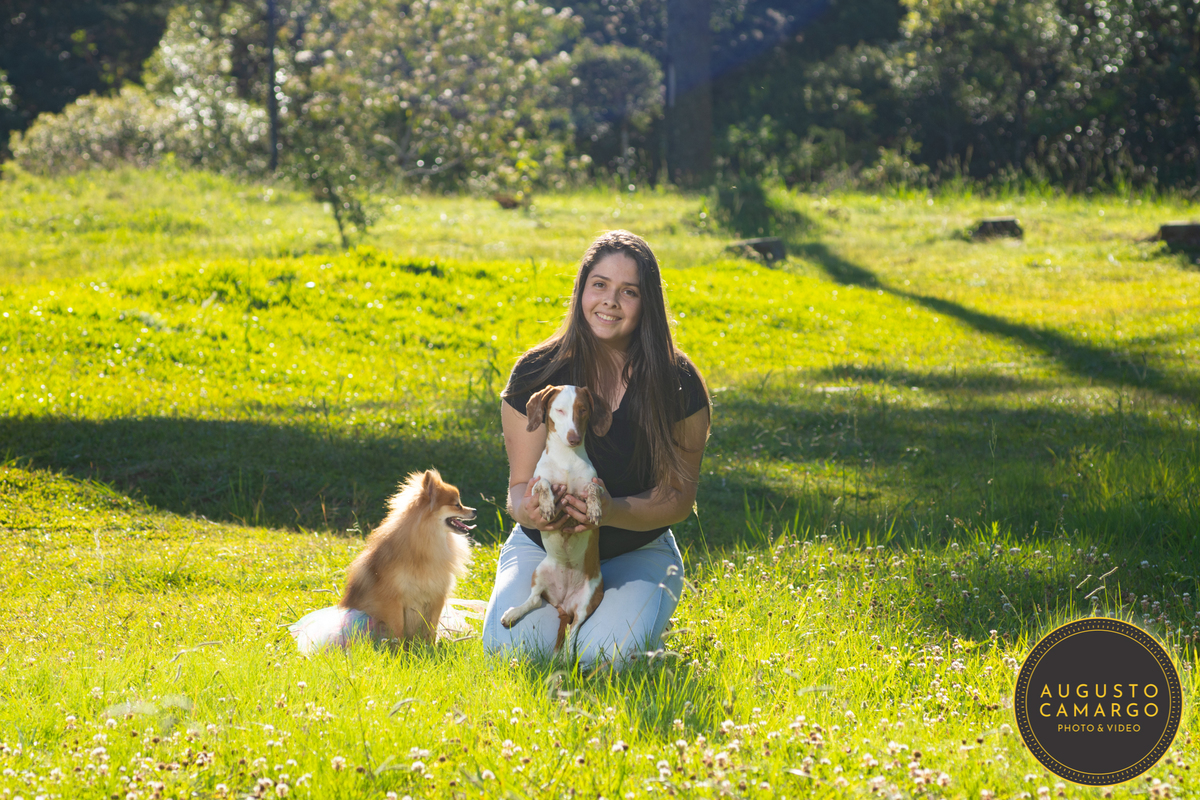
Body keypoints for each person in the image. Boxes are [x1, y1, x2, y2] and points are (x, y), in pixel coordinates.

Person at [481, 230, 711, 667]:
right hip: (545, 549)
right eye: (600, 285)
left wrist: (611, 508)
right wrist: (526, 509)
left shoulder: (676, 382)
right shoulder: (537, 372)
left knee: (598, 660)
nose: (610, 301)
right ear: (581, 290)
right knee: (513, 655)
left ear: (648, 304)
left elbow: (678, 501)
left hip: (634, 553)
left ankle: (636, 627)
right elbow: (517, 489)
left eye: (629, 292)